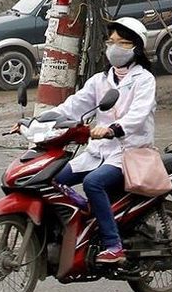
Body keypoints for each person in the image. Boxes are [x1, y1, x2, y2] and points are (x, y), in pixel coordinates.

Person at [50, 16, 156, 266]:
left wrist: (111, 129)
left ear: (137, 47)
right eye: (111, 41)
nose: (115, 47)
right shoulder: (100, 80)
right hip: (98, 152)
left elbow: (138, 116)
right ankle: (82, 222)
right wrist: (40, 121)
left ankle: (113, 245)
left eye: (123, 43)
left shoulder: (144, 80)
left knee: (93, 183)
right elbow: (74, 106)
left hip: (129, 152)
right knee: (52, 180)